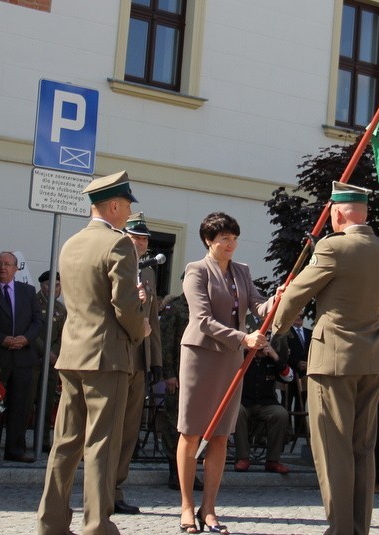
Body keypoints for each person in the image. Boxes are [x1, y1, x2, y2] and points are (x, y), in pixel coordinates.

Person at [273, 182, 379, 535]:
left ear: (336, 213)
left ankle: (340, 529)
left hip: (333, 360)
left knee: (333, 448)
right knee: (362, 448)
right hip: (371, 359)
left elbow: (297, 292)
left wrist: (276, 327)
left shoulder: (332, 247)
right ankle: (359, 527)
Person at [37, 170, 149, 535]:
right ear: (114, 205)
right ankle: (97, 525)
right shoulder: (118, 244)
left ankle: (51, 522)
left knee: (65, 443)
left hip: (71, 354)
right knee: (102, 443)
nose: (129, 211)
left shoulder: (71, 243)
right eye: (127, 204)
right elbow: (125, 305)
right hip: (108, 356)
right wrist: (142, 329)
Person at [176, 212, 275, 535]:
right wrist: (243, 338)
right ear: (209, 240)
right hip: (202, 357)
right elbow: (202, 319)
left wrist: (279, 298)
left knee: (220, 435)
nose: (230, 244)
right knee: (192, 432)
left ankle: (209, 508)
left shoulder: (243, 271)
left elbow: (259, 307)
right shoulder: (196, 270)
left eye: (234, 238)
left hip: (231, 361)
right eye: (224, 239)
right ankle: (187, 506)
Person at [113, 212, 164, 515]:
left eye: (144, 238)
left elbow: (153, 320)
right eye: (136, 237)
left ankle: (116, 488)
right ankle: (101, 489)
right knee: (112, 427)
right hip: (117, 355)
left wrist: (156, 360)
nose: (141, 242)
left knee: (130, 430)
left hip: (139, 359)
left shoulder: (148, 273)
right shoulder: (117, 265)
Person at [0, 251, 43, 462]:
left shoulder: (27, 291)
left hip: (23, 356)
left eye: (7, 264)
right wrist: (1, 338)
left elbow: (37, 321)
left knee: (20, 405)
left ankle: (15, 449)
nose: (3, 267)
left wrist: (25, 338)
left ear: (16, 268)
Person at [160, 290, 204, 492]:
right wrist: (169, 374)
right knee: (174, 422)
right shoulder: (175, 307)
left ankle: (189, 472)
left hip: (199, 375)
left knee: (195, 425)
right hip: (178, 374)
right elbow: (166, 342)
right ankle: (174, 472)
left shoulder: (204, 305)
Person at [233, 333, 294, 473]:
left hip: (266, 403)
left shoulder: (272, 359)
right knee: (237, 412)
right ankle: (242, 457)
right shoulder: (243, 356)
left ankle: (273, 460)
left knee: (281, 414)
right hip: (245, 401)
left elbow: (289, 377)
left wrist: (275, 356)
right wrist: (249, 352)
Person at [32, 270, 66, 453]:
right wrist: (45, 351)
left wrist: (54, 352)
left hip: (52, 363)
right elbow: (33, 331)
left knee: (47, 403)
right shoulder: (34, 303)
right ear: (42, 285)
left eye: (58, 285)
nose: (54, 288)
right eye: (49, 284)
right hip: (35, 360)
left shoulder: (61, 309)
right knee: (28, 402)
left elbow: (63, 335)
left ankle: (43, 439)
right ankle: (20, 440)